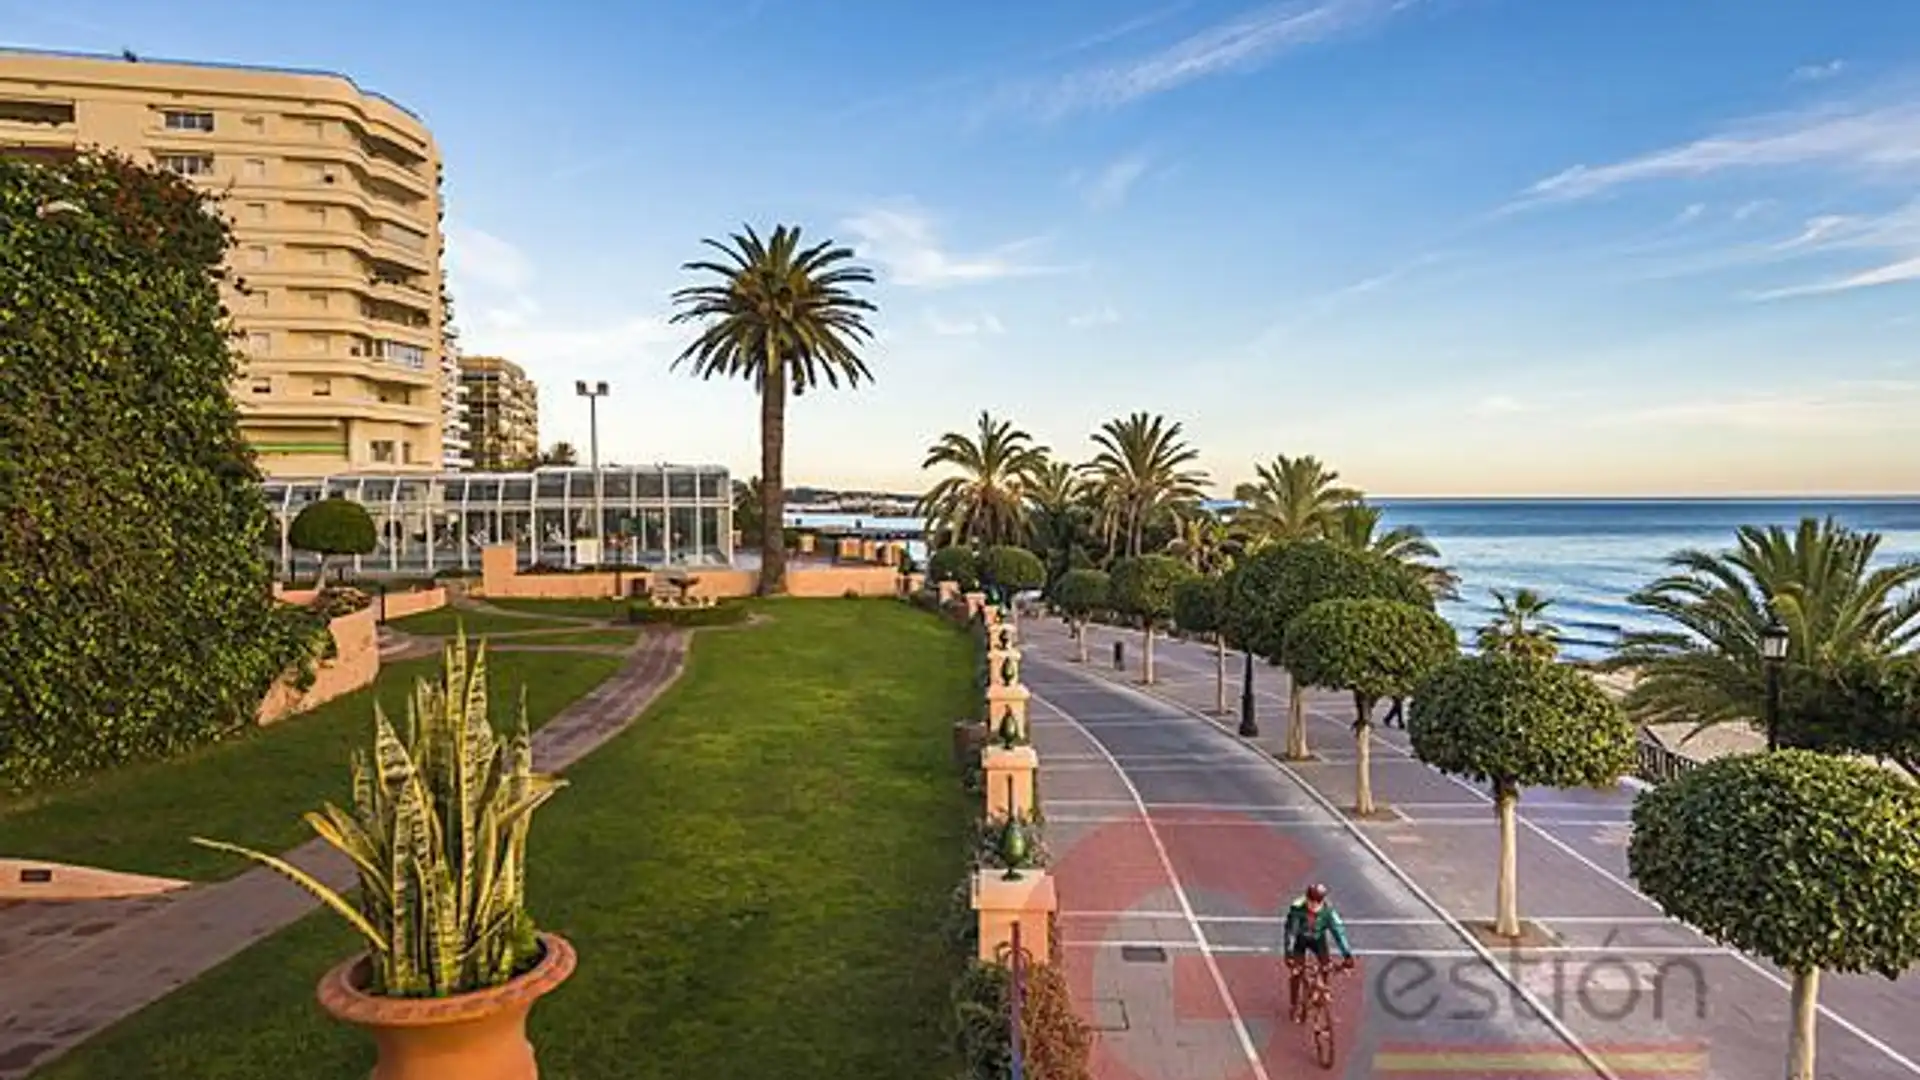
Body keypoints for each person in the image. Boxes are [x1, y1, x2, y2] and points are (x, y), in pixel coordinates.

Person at [1283, 883, 1354, 1016]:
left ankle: (1321, 994)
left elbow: (1339, 933)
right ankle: (1294, 1003)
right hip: (1300, 940)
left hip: (1318, 940)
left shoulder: (1328, 912)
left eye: (1318, 903)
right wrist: (1289, 954)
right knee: (1296, 973)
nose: (1315, 906)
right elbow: (1291, 932)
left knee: (1326, 966)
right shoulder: (1297, 909)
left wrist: (1347, 955)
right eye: (1312, 902)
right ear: (1307, 899)